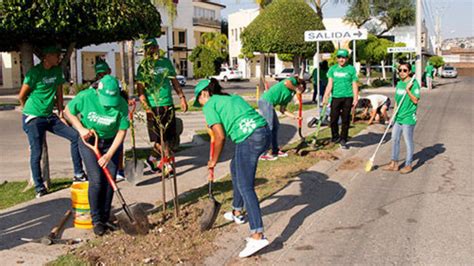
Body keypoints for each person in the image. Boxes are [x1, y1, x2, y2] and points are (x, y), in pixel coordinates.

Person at [194, 78, 271, 258]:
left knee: (246, 186)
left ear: (204, 93)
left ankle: (257, 235)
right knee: (234, 166)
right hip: (263, 131)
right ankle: (237, 211)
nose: (200, 104)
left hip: (249, 137)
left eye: (199, 99)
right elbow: (228, 126)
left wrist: (213, 160)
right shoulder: (231, 98)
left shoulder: (209, 105)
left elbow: (220, 137)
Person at [65, 75, 130, 236]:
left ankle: (106, 217)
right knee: (97, 181)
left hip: (111, 143)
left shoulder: (121, 104)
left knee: (110, 180)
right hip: (90, 141)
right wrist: (80, 128)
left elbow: (122, 131)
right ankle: (97, 220)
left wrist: (109, 155)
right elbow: (68, 111)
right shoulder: (86, 96)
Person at [18, 45, 86, 198]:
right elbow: (21, 96)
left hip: (50, 116)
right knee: (37, 152)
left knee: (75, 136)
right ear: (47, 57)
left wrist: (61, 112)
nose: (59, 58)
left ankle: (78, 174)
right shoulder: (34, 73)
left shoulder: (56, 71)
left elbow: (59, 93)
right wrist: (27, 112)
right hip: (34, 117)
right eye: (56, 55)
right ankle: (39, 186)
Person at [136, 38, 188, 174]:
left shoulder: (165, 63)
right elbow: (140, 90)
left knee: (167, 138)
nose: (152, 50)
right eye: (149, 48)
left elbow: (174, 82)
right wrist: (147, 108)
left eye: (154, 46)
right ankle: (168, 164)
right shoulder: (143, 67)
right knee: (161, 138)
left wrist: (182, 98)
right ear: (145, 50)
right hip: (154, 107)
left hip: (168, 105)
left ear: (158, 47)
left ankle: (152, 158)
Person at [92, 60, 128, 182]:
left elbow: (123, 96)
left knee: (118, 144)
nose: (102, 75)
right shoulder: (95, 86)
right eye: (99, 74)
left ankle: (120, 169)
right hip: (102, 121)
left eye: (104, 72)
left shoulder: (115, 83)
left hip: (117, 116)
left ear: (109, 71)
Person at [382, 62, 420, 174]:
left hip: (408, 118)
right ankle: (394, 163)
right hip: (398, 117)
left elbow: (416, 100)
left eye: (405, 70)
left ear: (409, 72)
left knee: (408, 141)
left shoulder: (414, 84)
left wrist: (408, 90)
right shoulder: (399, 84)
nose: (402, 73)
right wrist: (392, 117)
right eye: (400, 70)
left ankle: (408, 165)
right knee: (394, 139)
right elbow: (397, 102)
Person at [258, 76, 305, 161]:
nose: (300, 91)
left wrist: (295, 117)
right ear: (300, 85)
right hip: (265, 101)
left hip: (270, 104)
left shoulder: (290, 95)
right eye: (301, 89)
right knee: (269, 127)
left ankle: (275, 151)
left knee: (275, 127)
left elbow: (282, 110)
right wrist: (296, 88)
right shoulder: (293, 81)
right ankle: (262, 153)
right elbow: (286, 83)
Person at [322, 49, 359, 150]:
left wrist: (356, 97)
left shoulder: (351, 69)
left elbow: (354, 84)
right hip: (336, 97)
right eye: (339, 57)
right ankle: (335, 137)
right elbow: (330, 84)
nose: (341, 59)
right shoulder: (332, 69)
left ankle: (343, 138)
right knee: (333, 119)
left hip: (348, 96)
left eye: (343, 57)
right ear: (337, 58)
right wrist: (326, 96)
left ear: (347, 59)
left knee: (345, 119)